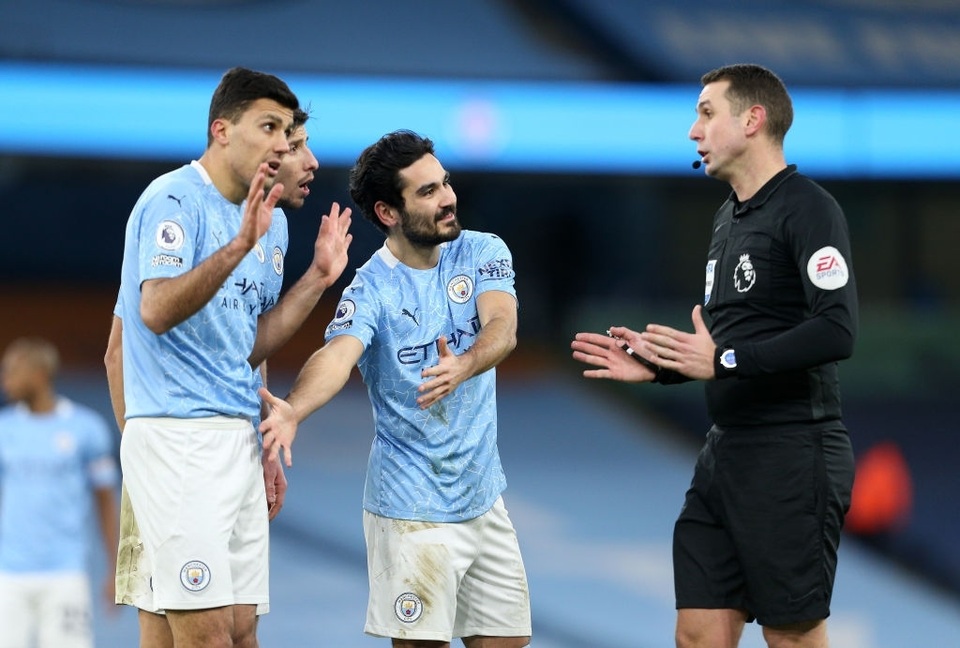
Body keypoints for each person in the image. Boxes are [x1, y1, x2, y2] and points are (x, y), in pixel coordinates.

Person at [570, 63, 858, 648]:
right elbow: (726, 341)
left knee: (792, 636)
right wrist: (661, 366)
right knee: (697, 632)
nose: (692, 131)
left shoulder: (809, 208)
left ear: (752, 120)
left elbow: (836, 331)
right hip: (726, 451)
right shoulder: (728, 217)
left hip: (793, 452)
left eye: (706, 113)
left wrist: (723, 361)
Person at [258, 129, 532, 647]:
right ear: (389, 212)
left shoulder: (481, 251)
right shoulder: (371, 288)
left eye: (444, 183)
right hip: (410, 510)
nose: (448, 198)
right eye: (427, 192)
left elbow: (503, 325)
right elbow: (337, 355)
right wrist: (292, 411)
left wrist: (465, 364)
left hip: (484, 500)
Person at [113, 67, 351, 648]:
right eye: (271, 127)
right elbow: (154, 311)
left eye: (287, 132)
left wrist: (318, 279)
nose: (282, 144)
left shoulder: (270, 227)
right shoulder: (173, 200)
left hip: (233, 437)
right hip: (178, 439)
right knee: (208, 637)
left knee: (240, 633)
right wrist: (238, 243)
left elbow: (245, 345)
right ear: (222, 130)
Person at [0, 337, 120, 648]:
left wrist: (115, 568)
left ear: (39, 374)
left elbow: (106, 502)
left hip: (65, 573)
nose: (6, 380)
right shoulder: (4, 428)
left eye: (12, 371)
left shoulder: (86, 428)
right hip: (9, 574)